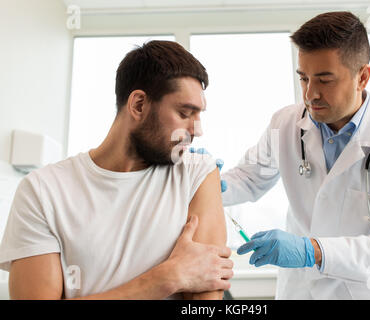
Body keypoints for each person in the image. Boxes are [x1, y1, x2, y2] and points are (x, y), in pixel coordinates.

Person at [214, 12, 370, 299]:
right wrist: (206, 183)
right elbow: (249, 178)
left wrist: (312, 251)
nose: (310, 94)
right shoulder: (285, 124)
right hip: (299, 292)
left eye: (324, 80)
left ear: (363, 77)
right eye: (303, 78)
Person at [0, 40, 233, 300]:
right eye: (184, 113)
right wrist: (168, 277)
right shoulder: (43, 191)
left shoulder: (196, 174)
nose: (196, 130)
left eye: (199, 115)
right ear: (139, 105)